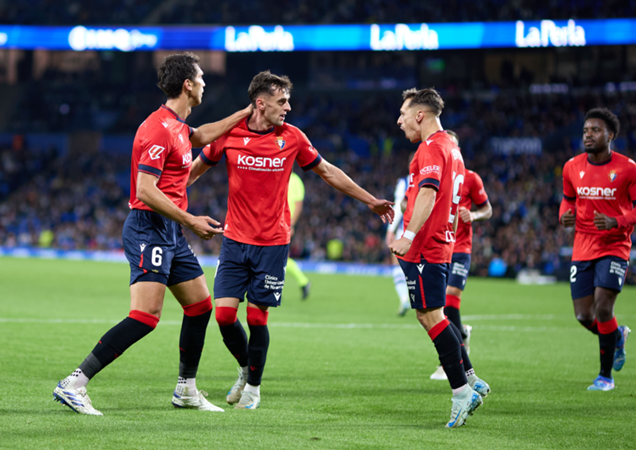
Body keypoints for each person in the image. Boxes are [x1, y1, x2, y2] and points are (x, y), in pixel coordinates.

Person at [52, 53, 252, 416]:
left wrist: (243, 113)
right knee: (145, 316)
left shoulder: (177, 126)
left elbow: (202, 136)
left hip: (169, 230)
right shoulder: (158, 129)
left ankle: (186, 389)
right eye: (202, 77)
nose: (206, 82)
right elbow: (145, 189)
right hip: (148, 226)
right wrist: (191, 220)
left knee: (200, 305)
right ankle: (74, 383)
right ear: (188, 85)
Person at [194, 70, 394, 410]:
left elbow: (328, 171)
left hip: (272, 244)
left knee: (257, 319)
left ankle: (254, 388)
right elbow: (195, 168)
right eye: (281, 101)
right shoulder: (229, 135)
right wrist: (162, 198)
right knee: (225, 317)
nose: (288, 107)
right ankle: (246, 367)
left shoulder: (293, 138)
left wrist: (370, 200)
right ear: (261, 103)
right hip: (235, 241)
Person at [389, 88, 484, 428]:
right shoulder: (451, 149)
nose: (399, 121)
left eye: (403, 113)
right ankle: (468, 381)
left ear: (420, 115)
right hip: (438, 244)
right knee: (428, 315)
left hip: (427, 246)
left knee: (433, 317)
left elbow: (429, 193)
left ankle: (462, 389)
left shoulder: (431, 148)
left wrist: (408, 235)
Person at [559, 108, 636, 391]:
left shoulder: (628, 168)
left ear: (610, 135)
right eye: (586, 130)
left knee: (602, 308)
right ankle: (618, 337)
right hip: (582, 246)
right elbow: (568, 200)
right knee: (583, 316)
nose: (588, 134)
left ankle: (605, 376)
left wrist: (616, 221)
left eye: (595, 130)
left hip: (614, 246)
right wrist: (565, 215)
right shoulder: (571, 167)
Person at [429, 130, 493, 381]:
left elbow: (487, 209)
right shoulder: (432, 175)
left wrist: (474, 215)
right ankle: (458, 340)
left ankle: (454, 364)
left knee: (450, 299)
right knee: (436, 307)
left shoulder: (471, 179)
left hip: (460, 248)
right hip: (437, 247)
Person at [385, 155, 412, 316]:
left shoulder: (405, 182)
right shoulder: (435, 179)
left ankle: (404, 299)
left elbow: (397, 207)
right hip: (428, 231)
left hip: (406, 230)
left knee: (396, 262)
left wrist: (390, 230)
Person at [286, 171, 312, 299]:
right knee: (276, 258)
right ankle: (303, 282)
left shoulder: (295, 180)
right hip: (273, 224)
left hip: (285, 224)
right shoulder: (278, 175)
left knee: (280, 257)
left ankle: (304, 281)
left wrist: (291, 224)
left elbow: (298, 205)